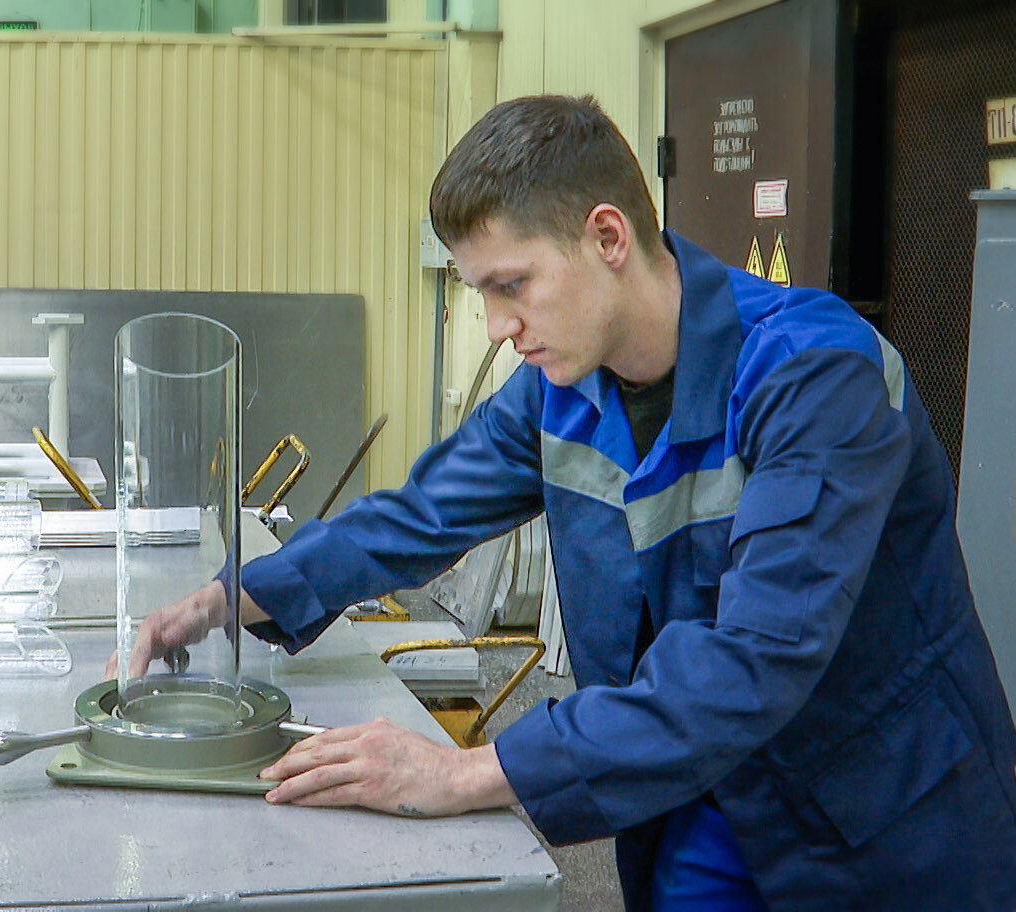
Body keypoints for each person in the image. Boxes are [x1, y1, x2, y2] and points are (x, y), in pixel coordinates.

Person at [117, 95, 1016, 910]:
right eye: (480, 293)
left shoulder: (816, 375)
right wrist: (229, 599)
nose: (498, 327)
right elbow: (419, 515)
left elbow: (754, 658)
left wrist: (462, 772)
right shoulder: (561, 392)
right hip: (694, 795)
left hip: (878, 823)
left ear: (608, 237)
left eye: (512, 285)